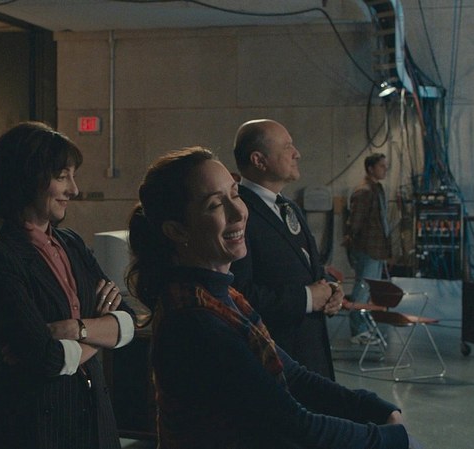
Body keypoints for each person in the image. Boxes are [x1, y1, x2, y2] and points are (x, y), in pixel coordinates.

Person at [127, 146, 413, 448]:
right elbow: (292, 425)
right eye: (215, 205)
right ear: (177, 230)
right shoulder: (195, 319)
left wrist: (375, 408)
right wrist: (393, 439)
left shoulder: (224, 295)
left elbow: (295, 376)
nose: (239, 212)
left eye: (235, 194)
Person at [0, 121, 135, 449]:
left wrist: (75, 329)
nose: (74, 190)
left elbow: (129, 322)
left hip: (94, 420)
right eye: (63, 177)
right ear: (28, 178)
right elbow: (46, 357)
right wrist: (100, 333)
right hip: (36, 428)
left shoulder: (71, 242)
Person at [230, 118, 342, 380]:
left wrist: (330, 289)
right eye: (287, 146)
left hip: (312, 355)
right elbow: (238, 294)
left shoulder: (289, 207)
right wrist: (307, 298)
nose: (297, 153)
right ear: (259, 160)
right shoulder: (239, 213)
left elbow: (307, 269)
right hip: (277, 360)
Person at [344, 153, 392, 343]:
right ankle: (358, 330)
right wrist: (353, 241)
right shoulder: (364, 191)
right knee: (362, 288)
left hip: (377, 248)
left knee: (369, 289)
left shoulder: (376, 189)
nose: (385, 169)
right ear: (371, 168)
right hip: (367, 248)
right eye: (381, 166)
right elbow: (355, 222)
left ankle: (364, 326)